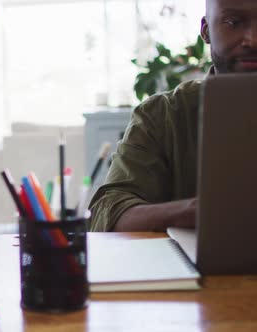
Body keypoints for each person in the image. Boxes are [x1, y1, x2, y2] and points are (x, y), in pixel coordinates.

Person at [89, 0, 257, 232]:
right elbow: (110, 212)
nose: (253, 39)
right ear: (206, 31)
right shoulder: (161, 115)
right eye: (234, 22)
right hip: (195, 268)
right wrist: (202, 211)